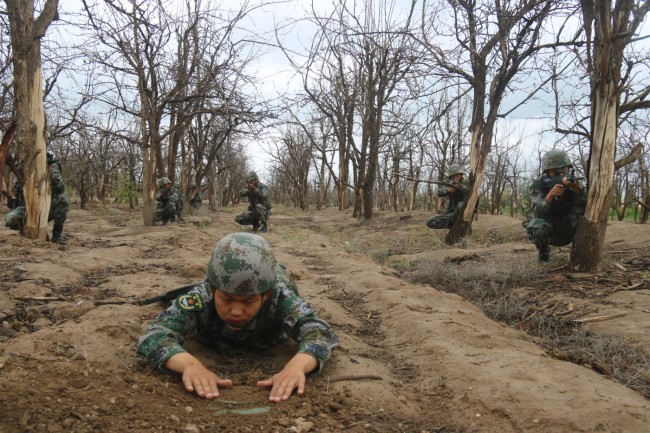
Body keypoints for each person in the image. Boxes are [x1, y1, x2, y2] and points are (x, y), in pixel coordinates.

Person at [136, 232, 339, 402]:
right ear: (214, 289)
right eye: (227, 299)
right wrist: (189, 365)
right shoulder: (201, 296)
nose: (236, 311)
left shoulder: (279, 296)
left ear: (265, 295)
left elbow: (319, 331)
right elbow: (156, 334)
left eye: (248, 302)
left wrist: (298, 365)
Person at [524, 150, 587, 262]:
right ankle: (543, 252)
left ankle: (579, 256)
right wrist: (550, 196)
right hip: (550, 231)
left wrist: (578, 191)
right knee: (534, 224)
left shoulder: (575, 183)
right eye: (556, 172)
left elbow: (589, 205)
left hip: (570, 229)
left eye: (564, 169)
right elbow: (537, 213)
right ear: (547, 172)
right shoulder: (539, 184)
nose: (561, 174)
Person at [5, 152, 70, 244]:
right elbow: (17, 193)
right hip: (28, 207)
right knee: (10, 219)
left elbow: (60, 188)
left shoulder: (52, 171)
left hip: (47, 208)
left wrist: (49, 171)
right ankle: (27, 231)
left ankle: (57, 235)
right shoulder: (21, 172)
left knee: (63, 198)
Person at [426, 164, 467, 229]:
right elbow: (439, 192)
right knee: (430, 222)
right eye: (453, 176)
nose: (455, 178)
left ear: (461, 175)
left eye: (457, 175)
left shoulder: (465, 181)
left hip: (464, 209)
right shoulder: (448, 181)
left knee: (460, 205)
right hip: (451, 211)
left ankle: (463, 227)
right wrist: (448, 190)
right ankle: (452, 226)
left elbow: (471, 191)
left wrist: (460, 187)